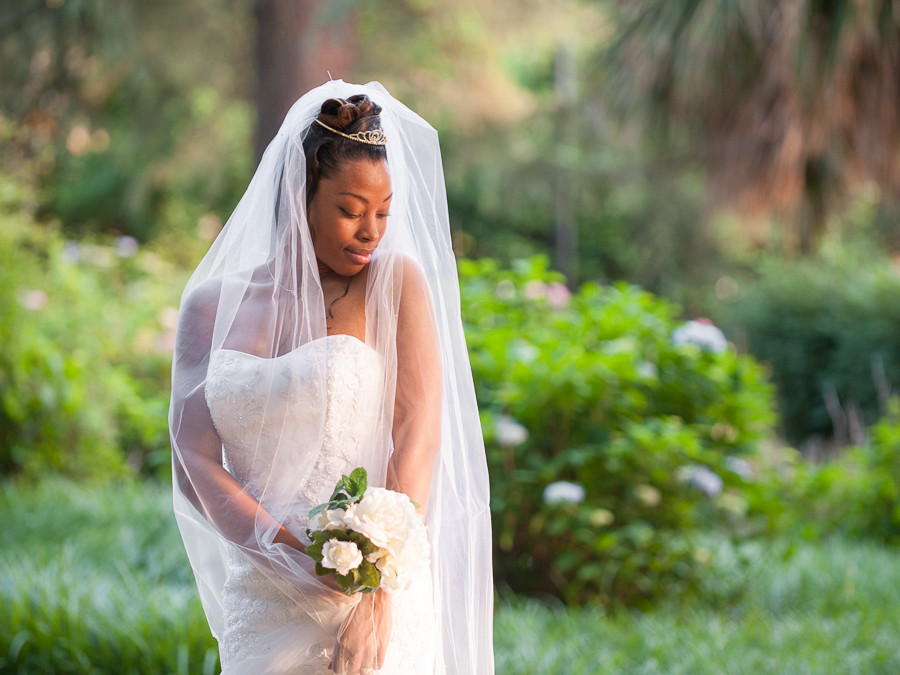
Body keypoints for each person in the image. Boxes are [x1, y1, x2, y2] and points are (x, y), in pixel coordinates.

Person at [168, 80, 494, 674]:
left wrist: (377, 588)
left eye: (384, 213)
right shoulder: (210, 307)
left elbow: (417, 432)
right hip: (263, 596)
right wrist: (290, 558)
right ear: (299, 196)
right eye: (350, 210)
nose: (372, 231)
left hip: (369, 588)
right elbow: (194, 458)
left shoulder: (394, 283)